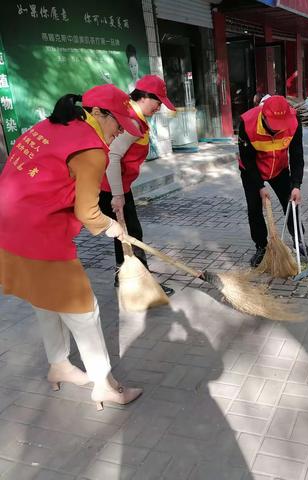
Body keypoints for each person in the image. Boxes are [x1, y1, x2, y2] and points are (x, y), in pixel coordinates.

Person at [0, 84, 144, 410]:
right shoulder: (91, 150)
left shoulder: (52, 124)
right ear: (96, 113)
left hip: (8, 228)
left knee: (45, 301)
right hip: (38, 234)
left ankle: (59, 365)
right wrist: (113, 228)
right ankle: (104, 383)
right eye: (116, 123)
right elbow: (89, 213)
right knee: (84, 311)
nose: (119, 131)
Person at [98, 74, 176, 293]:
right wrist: (117, 195)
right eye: (158, 101)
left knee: (122, 232)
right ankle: (142, 284)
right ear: (143, 97)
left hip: (118, 185)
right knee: (132, 233)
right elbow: (112, 156)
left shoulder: (134, 115)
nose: (160, 107)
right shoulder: (131, 119)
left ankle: (123, 275)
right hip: (110, 186)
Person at [238, 95, 308, 267]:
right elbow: (247, 160)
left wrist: (296, 186)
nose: (278, 130)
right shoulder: (247, 122)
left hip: (279, 168)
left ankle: (298, 241)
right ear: (264, 116)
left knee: (291, 204)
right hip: (252, 171)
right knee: (254, 209)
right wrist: (259, 186)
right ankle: (261, 247)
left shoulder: (294, 121)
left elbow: (296, 156)